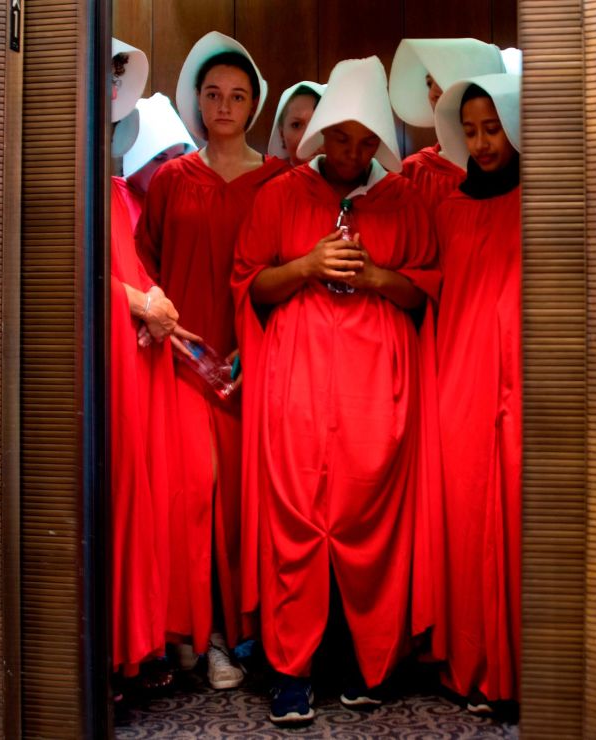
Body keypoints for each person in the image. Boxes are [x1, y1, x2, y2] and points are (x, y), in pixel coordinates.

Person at [232, 56, 441, 725]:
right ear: (321, 134)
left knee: (369, 523)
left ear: (379, 142)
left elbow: (425, 291)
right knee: (296, 522)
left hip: (376, 391)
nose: (351, 153)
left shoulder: (404, 201)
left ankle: (367, 663)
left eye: (364, 141)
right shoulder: (279, 196)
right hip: (298, 387)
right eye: (340, 137)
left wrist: (377, 276)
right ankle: (291, 672)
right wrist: (305, 264)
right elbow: (249, 284)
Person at [136, 31, 286, 691]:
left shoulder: (279, 181)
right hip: (182, 363)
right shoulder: (171, 179)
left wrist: (266, 346)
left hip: (257, 366)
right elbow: (145, 267)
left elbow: (287, 270)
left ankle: (238, 635)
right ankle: (191, 634)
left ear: (254, 105)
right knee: (188, 500)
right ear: (198, 100)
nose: (224, 105)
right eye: (213, 94)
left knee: (244, 510)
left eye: (238, 95)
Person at [431, 72, 522, 716]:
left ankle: (525, 670)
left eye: (492, 129)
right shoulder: (448, 209)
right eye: (470, 131)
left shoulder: (543, 201)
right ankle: (472, 666)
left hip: (523, 378)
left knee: (521, 522)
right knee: (465, 524)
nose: (482, 143)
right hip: (460, 381)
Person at [106, 38, 190, 693]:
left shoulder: (108, 187)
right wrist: (136, 300)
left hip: (137, 366)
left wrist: (150, 303)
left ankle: (137, 647)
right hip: (105, 375)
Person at [388, 38, 505, 211]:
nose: (434, 93)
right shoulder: (415, 170)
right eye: (429, 83)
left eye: (442, 79)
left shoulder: (509, 167)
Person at [118, 92, 197, 230]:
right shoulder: (110, 201)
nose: (170, 169)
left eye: (177, 158)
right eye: (159, 158)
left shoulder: (187, 208)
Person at [266, 81, 325, 166]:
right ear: (282, 134)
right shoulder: (271, 178)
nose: (309, 136)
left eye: (318, 123)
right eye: (296, 125)